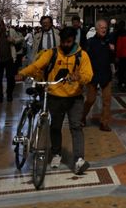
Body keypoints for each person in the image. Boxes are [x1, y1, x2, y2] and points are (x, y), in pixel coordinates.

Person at [16, 26, 93, 174]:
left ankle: (79, 160)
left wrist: (80, 78)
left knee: (76, 127)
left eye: (69, 42)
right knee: (55, 126)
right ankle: (56, 153)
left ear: (73, 41)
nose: (65, 45)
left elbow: (88, 75)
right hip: (55, 96)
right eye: (63, 42)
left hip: (74, 98)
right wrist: (23, 73)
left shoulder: (82, 56)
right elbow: (36, 65)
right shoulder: (52, 53)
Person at [82, 19, 115, 131]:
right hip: (93, 75)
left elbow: (112, 59)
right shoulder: (90, 42)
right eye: (101, 27)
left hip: (106, 74)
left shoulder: (109, 41)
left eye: (105, 27)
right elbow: (85, 59)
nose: (104, 29)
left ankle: (104, 123)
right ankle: (82, 117)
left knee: (107, 100)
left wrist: (112, 51)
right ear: (96, 29)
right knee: (90, 99)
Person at [0, 20, 23, 103]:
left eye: (1, 25)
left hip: (10, 59)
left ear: (4, 25)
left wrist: (13, 41)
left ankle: (9, 94)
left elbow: (21, 39)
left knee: (10, 78)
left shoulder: (11, 32)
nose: (0, 27)